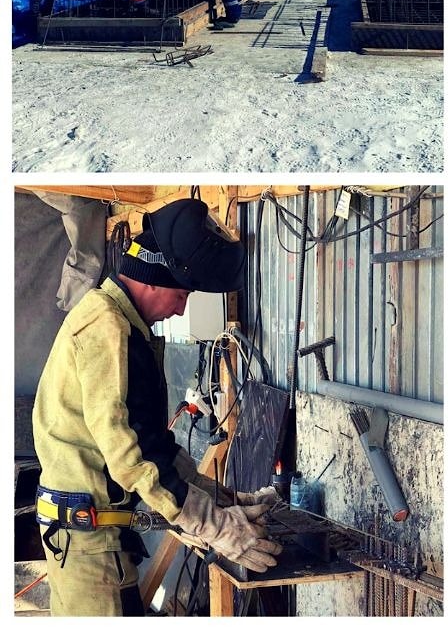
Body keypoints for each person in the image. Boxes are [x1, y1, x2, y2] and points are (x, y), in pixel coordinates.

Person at [32, 199, 283, 616]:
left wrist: (222, 498)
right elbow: (131, 457)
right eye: (182, 294)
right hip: (88, 545)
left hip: (96, 537)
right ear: (150, 281)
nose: (183, 307)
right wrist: (214, 526)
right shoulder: (107, 328)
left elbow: (155, 443)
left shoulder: (119, 322)